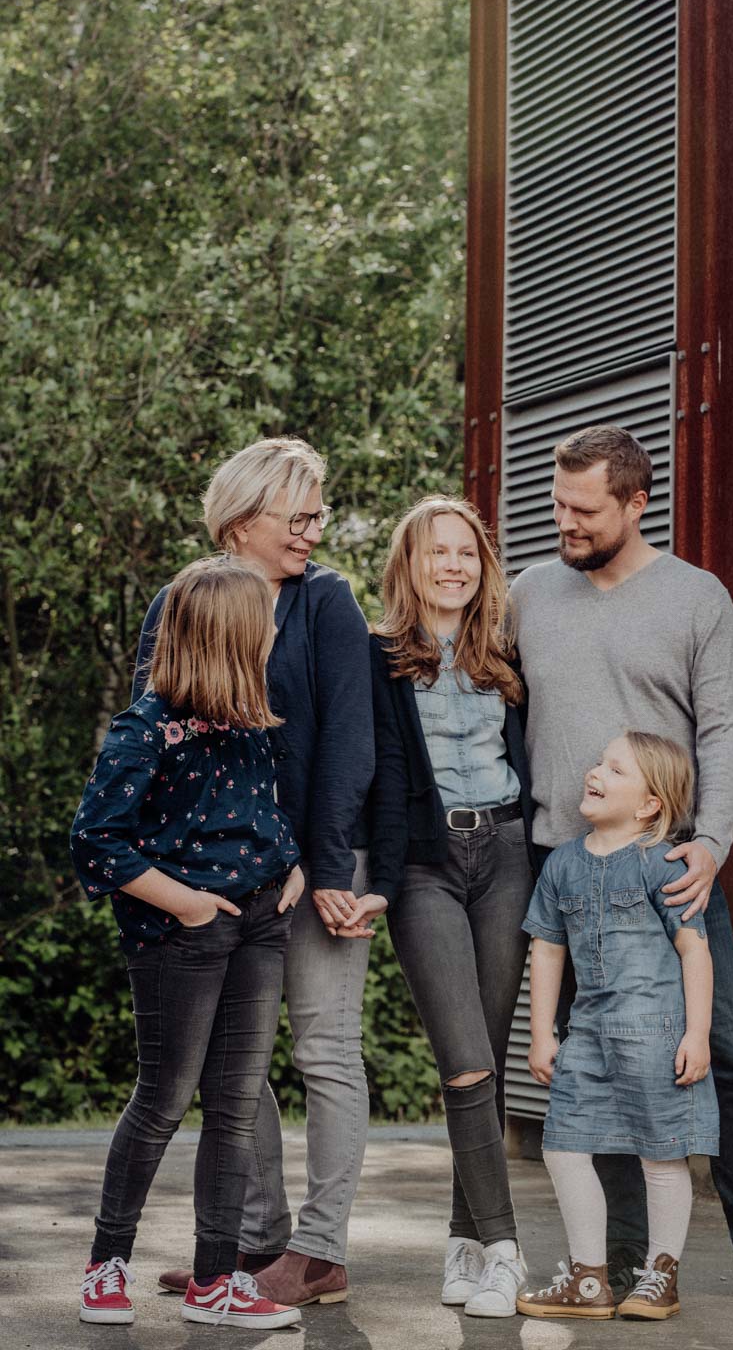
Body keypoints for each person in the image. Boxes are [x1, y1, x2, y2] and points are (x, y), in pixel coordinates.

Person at [508, 424, 733, 1312]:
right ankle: (623, 1262)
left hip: (670, 869)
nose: (565, 523)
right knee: (597, 1063)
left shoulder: (697, 599)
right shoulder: (529, 593)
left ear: (635, 502)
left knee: (722, 1054)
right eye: (558, 504)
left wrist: (712, 842)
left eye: (584, 511)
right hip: (563, 869)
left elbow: (725, 727)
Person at [136, 437, 378, 1309]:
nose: (313, 531)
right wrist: (171, 874)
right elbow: (155, 727)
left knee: (322, 1047)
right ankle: (253, 1244)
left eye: (318, 514)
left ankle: (319, 1254)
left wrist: (315, 862)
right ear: (242, 522)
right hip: (209, 875)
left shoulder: (328, 603)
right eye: (299, 516)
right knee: (229, 1065)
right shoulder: (182, 601)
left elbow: (352, 740)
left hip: (315, 865)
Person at [71, 557, 304, 1330]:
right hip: (178, 938)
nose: (276, 628)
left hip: (262, 925)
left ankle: (215, 1280)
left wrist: (292, 863)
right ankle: (107, 1267)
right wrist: (189, 907)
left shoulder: (254, 721)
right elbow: (96, 842)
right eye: (265, 619)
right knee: (164, 1100)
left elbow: (259, 812)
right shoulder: (145, 728)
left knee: (235, 1106)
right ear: (230, 635)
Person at [363, 496, 535, 1318]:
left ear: (483, 564)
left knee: (489, 1061)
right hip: (426, 865)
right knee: (464, 1060)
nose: (454, 566)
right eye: (437, 553)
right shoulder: (377, 656)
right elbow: (363, 774)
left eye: (466, 552)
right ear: (410, 563)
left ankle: (465, 1247)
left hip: (505, 856)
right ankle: (505, 1253)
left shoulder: (505, 651)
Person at [518, 731, 717, 1323]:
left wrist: (697, 1034)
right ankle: (588, 1279)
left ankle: (661, 1275)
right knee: (563, 1146)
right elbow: (547, 948)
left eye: (615, 768)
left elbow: (694, 951)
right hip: (588, 1035)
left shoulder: (664, 864)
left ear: (650, 804)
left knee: (661, 1155)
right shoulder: (563, 863)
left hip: (655, 1033)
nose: (595, 771)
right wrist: (541, 1033)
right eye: (599, 761)